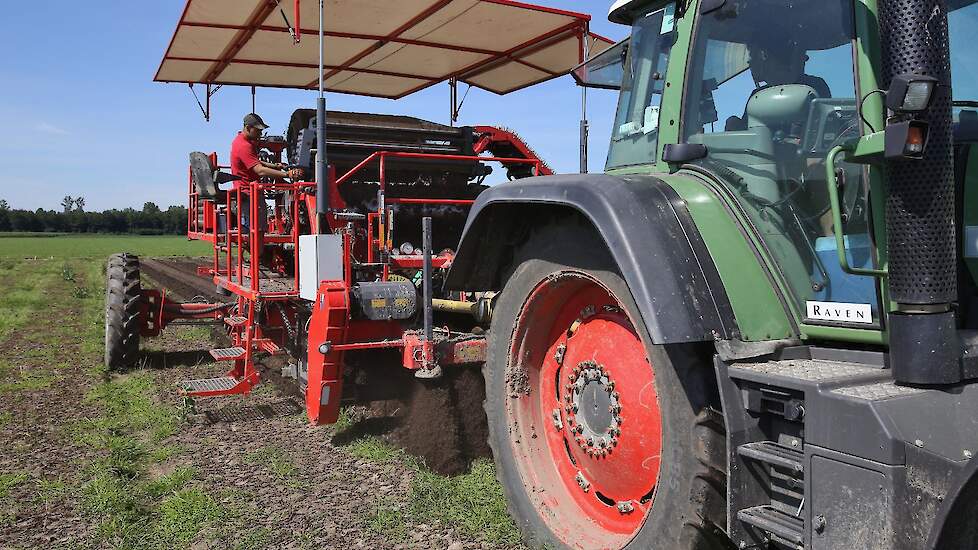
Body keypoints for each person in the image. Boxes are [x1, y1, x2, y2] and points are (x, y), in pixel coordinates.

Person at [725, 43, 831, 132]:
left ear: (763, 55)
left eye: (752, 55)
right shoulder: (756, 95)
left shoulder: (814, 87)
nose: (749, 62)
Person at [230, 113, 301, 229]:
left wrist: (275, 166)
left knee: (255, 231)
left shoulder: (240, 141)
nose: (261, 133)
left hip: (249, 193)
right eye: (258, 130)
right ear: (248, 128)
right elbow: (260, 170)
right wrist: (287, 174)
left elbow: (255, 161)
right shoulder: (244, 146)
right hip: (249, 194)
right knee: (256, 230)